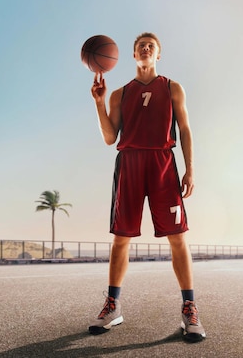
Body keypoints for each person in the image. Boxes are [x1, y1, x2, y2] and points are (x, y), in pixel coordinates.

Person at [88, 32, 206, 343]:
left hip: (162, 163)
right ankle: (113, 306)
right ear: (132, 55)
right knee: (121, 238)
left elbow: (185, 129)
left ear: (158, 55)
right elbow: (109, 137)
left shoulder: (172, 88)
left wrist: (190, 169)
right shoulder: (119, 94)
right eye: (141, 46)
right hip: (129, 163)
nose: (145, 48)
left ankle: (189, 309)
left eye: (151, 46)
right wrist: (99, 102)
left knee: (177, 237)